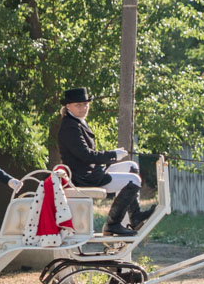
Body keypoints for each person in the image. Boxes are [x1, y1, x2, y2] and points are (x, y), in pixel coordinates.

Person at [57, 87, 153, 237]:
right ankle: (112, 224)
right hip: (84, 178)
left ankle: (135, 216)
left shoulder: (77, 122)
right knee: (134, 180)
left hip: (91, 172)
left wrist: (111, 156)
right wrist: (113, 154)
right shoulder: (70, 126)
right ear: (68, 106)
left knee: (131, 167)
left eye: (85, 104)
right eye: (78, 105)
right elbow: (86, 155)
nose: (83, 108)